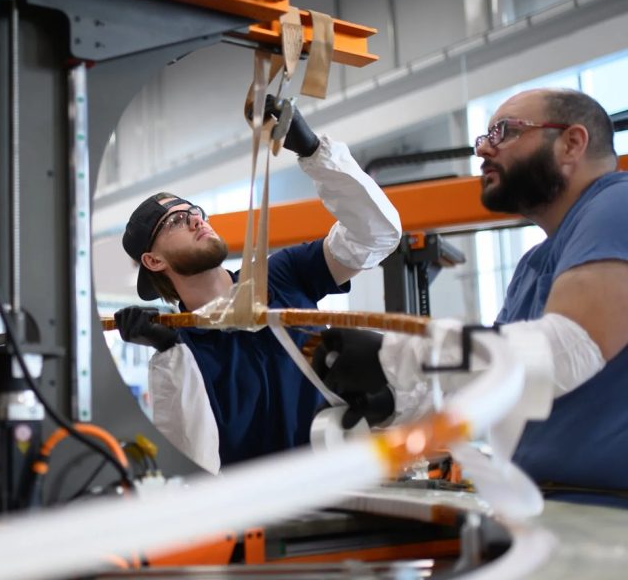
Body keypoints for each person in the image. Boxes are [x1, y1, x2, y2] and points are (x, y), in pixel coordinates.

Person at [314, 88, 628, 498]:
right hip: (554, 506)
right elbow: (502, 380)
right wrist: (393, 400)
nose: (483, 150)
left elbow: (568, 350)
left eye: (504, 131)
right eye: (483, 137)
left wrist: (396, 355)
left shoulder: (617, 204)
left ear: (572, 143)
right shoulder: (535, 264)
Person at [114, 105, 402, 473]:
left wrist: (313, 150)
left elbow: (376, 235)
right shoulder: (183, 349)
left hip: (342, 489)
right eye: (176, 221)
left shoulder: (279, 277)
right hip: (258, 518)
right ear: (154, 261)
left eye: (195, 211)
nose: (196, 220)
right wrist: (169, 353)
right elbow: (193, 460)